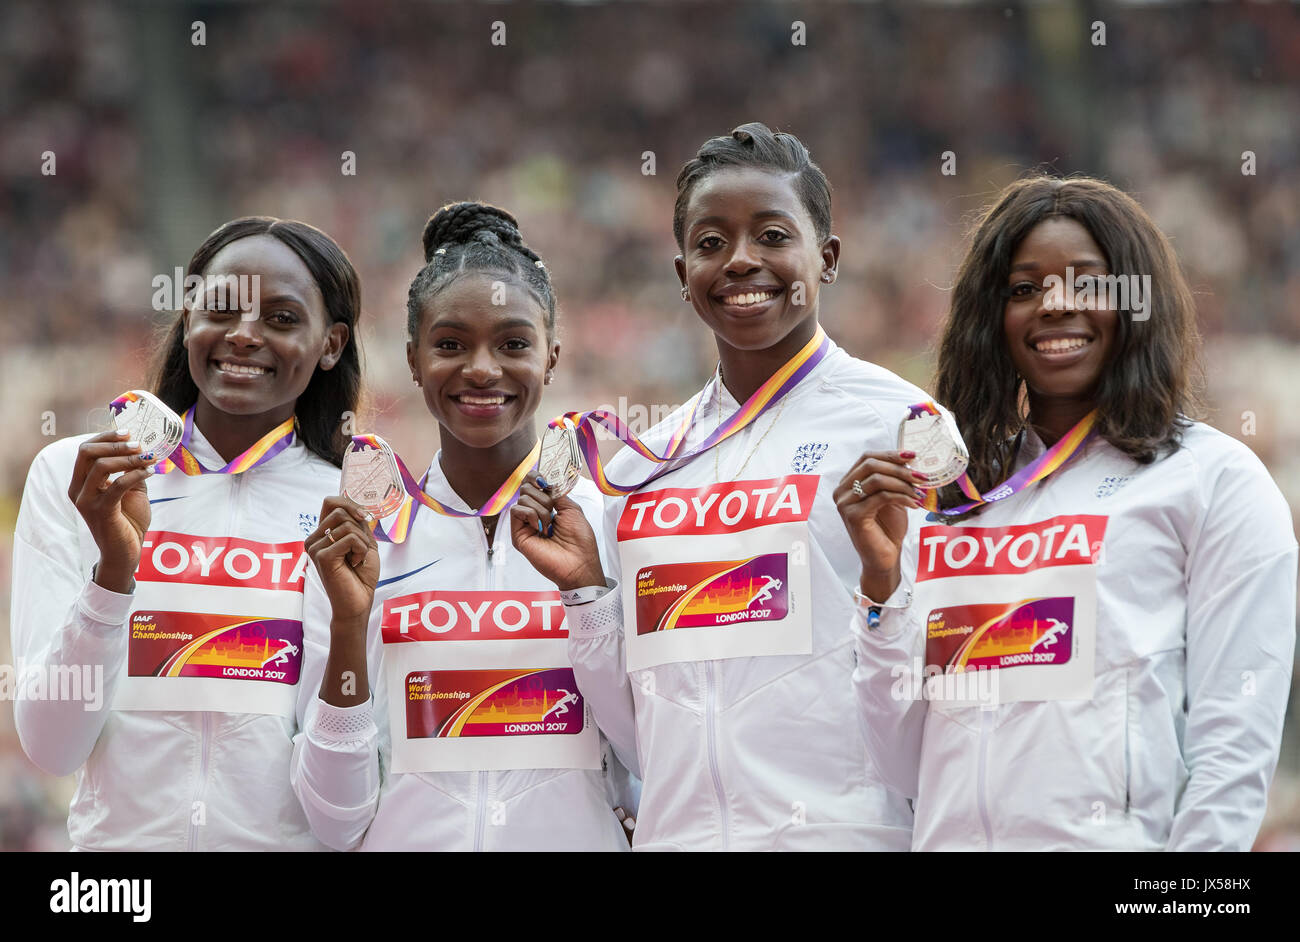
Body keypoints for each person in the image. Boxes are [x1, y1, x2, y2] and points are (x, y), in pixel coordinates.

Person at [844, 174, 1298, 850]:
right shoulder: (949, 499)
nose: (1054, 306)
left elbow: (1233, 753)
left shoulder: (1213, 482)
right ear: (990, 317)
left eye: (1088, 284)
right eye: (1023, 289)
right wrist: (882, 588)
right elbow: (898, 760)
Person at [516, 123, 926, 850]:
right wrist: (585, 592)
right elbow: (639, 728)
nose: (741, 261)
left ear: (825, 259)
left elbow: (933, 680)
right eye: (710, 243)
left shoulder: (899, 426)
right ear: (682, 274)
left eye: (772, 236)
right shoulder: (645, 463)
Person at [290, 202, 632, 851]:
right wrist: (348, 625)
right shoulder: (366, 544)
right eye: (450, 344)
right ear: (415, 359)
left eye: (513, 343)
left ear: (551, 356)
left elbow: (650, 753)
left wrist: (588, 596)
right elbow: (335, 823)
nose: (481, 368)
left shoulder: (608, 522)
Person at [11, 216, 361, 850]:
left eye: (281, 319)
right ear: (188, 321)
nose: (244, 336)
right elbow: (52, 747)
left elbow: (345, 816)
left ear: (330, 343)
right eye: (220, 310)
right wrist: (113, 577)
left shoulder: (351, 510)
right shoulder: (79, 476)